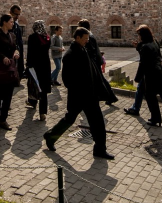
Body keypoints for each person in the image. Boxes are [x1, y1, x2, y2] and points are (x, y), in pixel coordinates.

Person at [43, 27, 115, 160]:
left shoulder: (83, 50)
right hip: (79, 96)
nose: (87, 41)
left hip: (90, 95)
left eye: (88, 39)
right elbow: (67, 79)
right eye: (85, 39)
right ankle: (51, 136)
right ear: (77, 38)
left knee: (97, 122)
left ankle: (100, 149)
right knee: (70, 119)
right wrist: (80, 90)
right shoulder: (70, 55)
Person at [78, 19, 118, 105]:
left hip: (94, 62)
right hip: (95, 61)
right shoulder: (90, 35)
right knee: (100, 79)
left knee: (101, 79)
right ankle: (111, 97)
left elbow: (91, 50)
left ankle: (111, 97)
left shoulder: (89, 37)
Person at [133, 25, 162, 127]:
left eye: (139, 35)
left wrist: (137, 77)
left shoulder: (145, 47)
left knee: (151, 97)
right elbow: (159, 56)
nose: (138, 37)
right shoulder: (154, 42)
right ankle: (155, 117)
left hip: (150, 74)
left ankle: (156, 118)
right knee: (152, 95)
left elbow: (142, 63)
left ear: (142, 35)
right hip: (158, 72)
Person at [26, 20, 52, 120]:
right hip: (45, 65)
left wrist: (28, 64)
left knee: (34, 84)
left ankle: (32, 101)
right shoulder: (47, 38)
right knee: (43, 89)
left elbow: (30, 52)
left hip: (35, 65)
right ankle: (43, 113)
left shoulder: (32, 37)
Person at [10, 5, 25, 79]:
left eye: (19, 14)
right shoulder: (4, 26)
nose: (18, 17)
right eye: (16, 14)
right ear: (11, 12)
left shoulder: (17, 26)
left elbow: (19, 42)